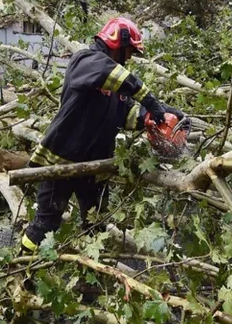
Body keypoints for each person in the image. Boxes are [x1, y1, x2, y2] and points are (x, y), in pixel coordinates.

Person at [19, 17, 184, 252]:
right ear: (118, 42)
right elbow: (114, 75)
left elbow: (126, 114)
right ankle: (22, 271)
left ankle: (89, 279)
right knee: (45, 223)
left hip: (96, 165)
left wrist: (154, 116)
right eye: (129, 51)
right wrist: (151, 100)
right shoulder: (85, 61)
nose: (129, 58)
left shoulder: (117, 88)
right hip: (61, 160)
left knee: (95, 225)